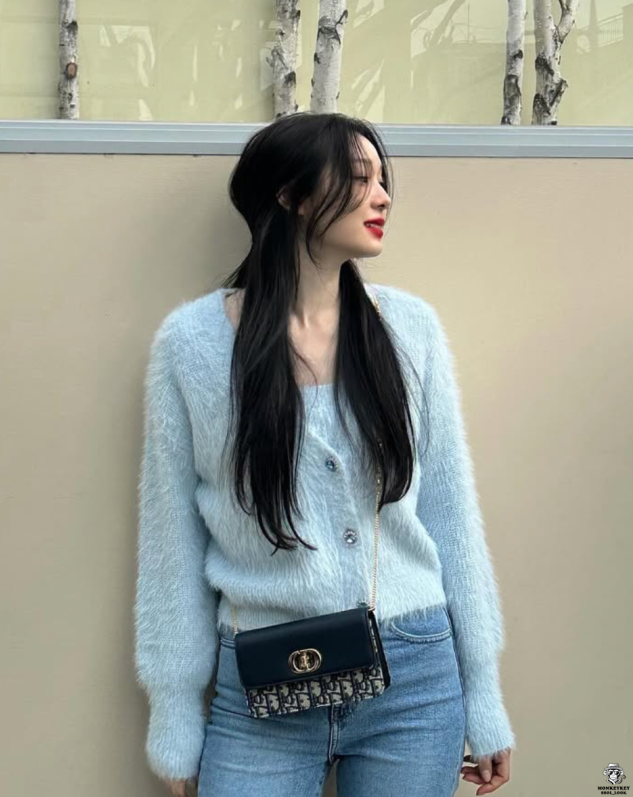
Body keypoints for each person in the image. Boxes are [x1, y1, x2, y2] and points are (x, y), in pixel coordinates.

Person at [133, 112, 515, 797]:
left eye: (383, 180)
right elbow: (171, 539)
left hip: (414, 680)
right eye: (360, 178)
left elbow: (450, 514)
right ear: (291, 195)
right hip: (261, 685)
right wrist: (174, 715)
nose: (383, 196)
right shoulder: (191, 346)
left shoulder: (409, 330)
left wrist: (483, 694)